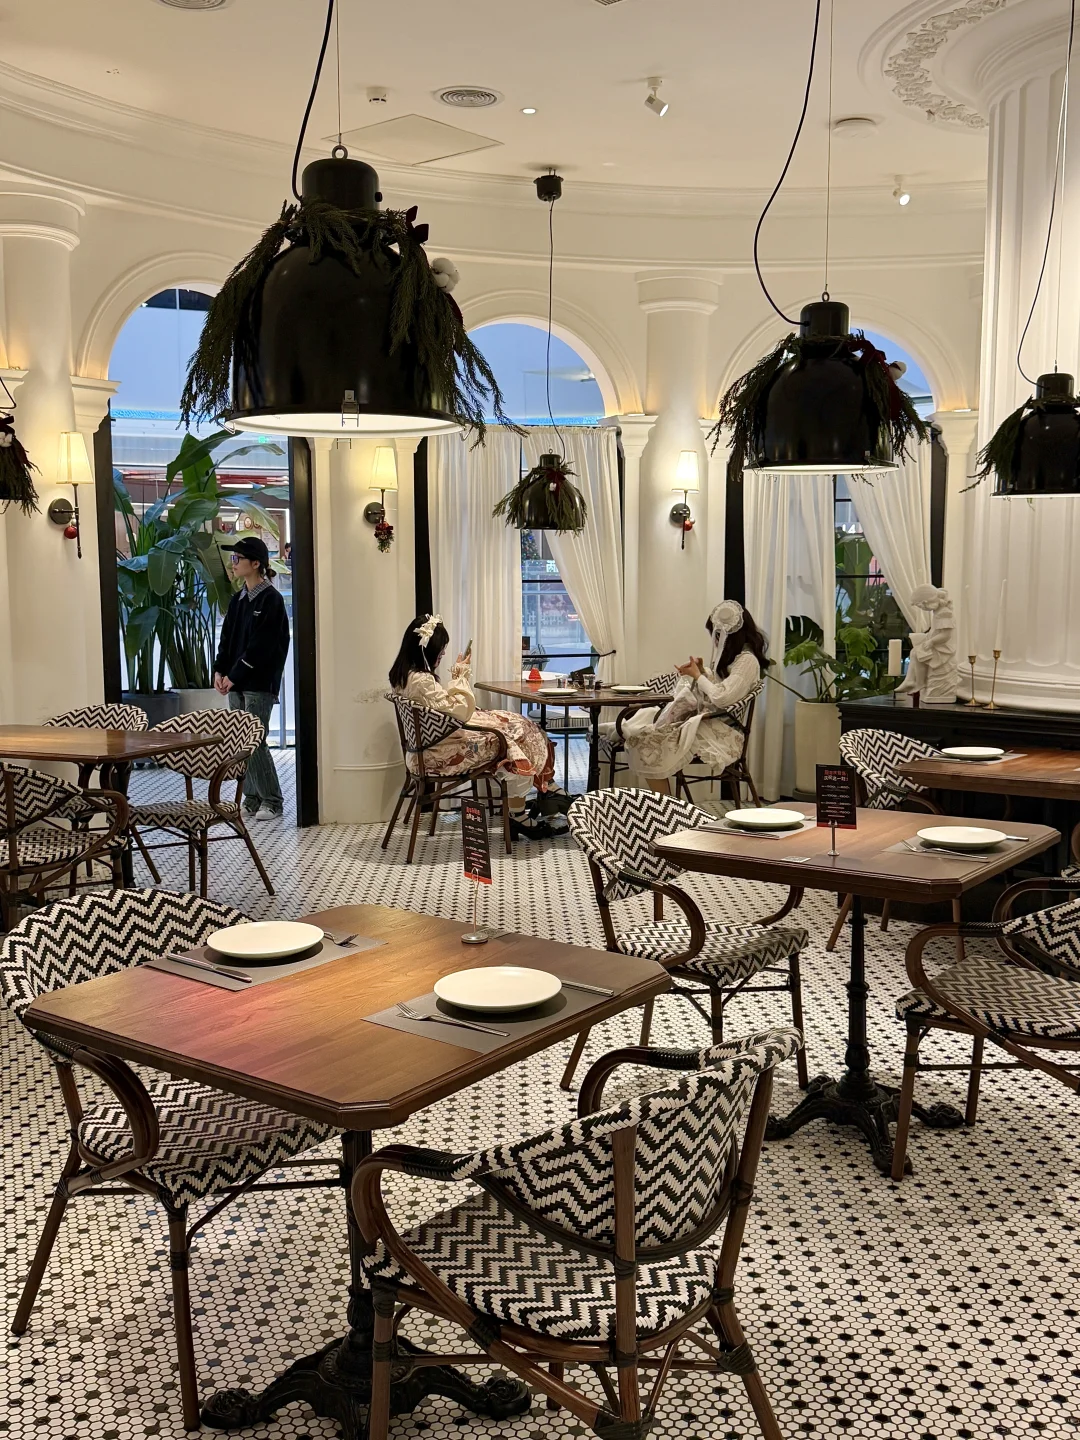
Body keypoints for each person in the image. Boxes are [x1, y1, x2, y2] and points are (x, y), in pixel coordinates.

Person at [389, 614, 554, 816]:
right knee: (516, 736)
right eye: (440, 649)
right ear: (427, 649)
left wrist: (459, 678)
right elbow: (460, 712)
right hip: (437, 752)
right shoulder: (421, 680)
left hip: (423, 747)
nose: (443, 653)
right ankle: (524, 810)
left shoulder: (403, 675)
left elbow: (443, 709)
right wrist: (460, 675)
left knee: (513, 725)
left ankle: (542, 796)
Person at [621, 599, 768, 794]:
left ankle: (665, 805)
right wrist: (702, 672)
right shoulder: (739, 659)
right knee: (644, 739)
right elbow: (721, 690)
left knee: (649, 743)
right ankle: (665, 804)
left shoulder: (747, 661)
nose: (715, 641)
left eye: (716, 634)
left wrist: (698, 676)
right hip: (711, 722)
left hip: (721, 730)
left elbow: (721, 697)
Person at [213, 535, 291, 821]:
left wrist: (234, 675)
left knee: (255, 740)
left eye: (238, 559)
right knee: (239, 740)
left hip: (259, 684)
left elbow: (262, 647)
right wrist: (219, 671)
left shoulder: (272, 600)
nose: (233, 564)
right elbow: (227, 640)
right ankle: (252, 798)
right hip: (235, 682)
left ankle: (272, 800)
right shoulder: (238, 600)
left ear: (256, 563)